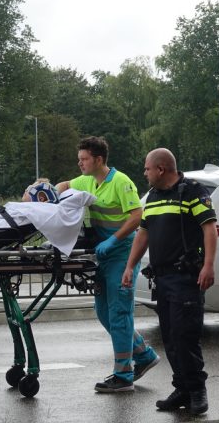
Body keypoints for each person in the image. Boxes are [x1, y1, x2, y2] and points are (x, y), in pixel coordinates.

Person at [56, 136, 159, 393]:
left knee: (119, 312)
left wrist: (113, 240)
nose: (79, 163)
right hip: (103, 256)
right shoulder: (88, 181)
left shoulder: (121, 182)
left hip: (123, 254)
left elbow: (137, 216)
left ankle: (123, 375)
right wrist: (51, 191)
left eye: (84, 159)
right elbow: (65, 184)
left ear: (98, 160)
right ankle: (144, 355)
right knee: (103, 312)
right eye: (79, 159)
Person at [121, 148, 217, 415]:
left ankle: (197, 390)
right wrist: (130, 266)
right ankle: (182, 389)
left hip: (186, 276)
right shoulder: (152, 197)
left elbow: (209, 228)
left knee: (186, 337)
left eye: (147, 168)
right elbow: (143, 233)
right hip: (162, 279)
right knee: (171, 338)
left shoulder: (192, 192)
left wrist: (208, 265)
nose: (145, 173)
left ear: (161, 169)